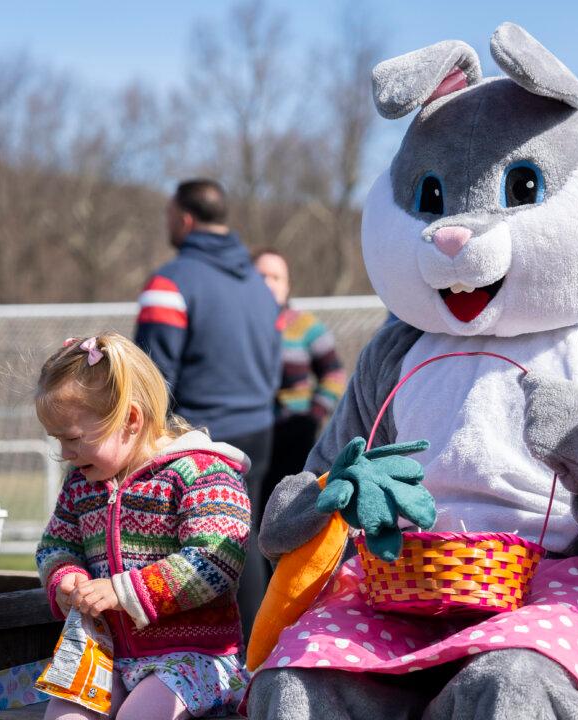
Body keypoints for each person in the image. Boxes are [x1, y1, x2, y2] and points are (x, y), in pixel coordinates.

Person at [34, 332, 251, 720]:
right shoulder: (82, 484)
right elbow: (56, 544)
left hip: (195, 659)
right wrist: (65, 578)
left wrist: (123, 591)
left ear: (131, 420)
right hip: (110, 655)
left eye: (73, 438)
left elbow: (216, 561)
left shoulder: (200, 472)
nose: (64, 453)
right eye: (57, 439)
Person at [135, 179, 280, 641]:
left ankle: (187, 663)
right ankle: (254, 657)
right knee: (243, 541)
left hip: (194, 441)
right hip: (258, 428)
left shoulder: (171, 283)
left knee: (182, 551)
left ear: (184, 219)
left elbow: (149, 379)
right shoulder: (259, 287)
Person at [251, 249, 346, 520]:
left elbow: (334, 374)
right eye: (261, 276)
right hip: (250, 435)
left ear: (287, 284)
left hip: (296, 436)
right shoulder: (238, 324)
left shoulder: (305, 326)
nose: (268, 283)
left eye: (275, 277)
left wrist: (315, 413)